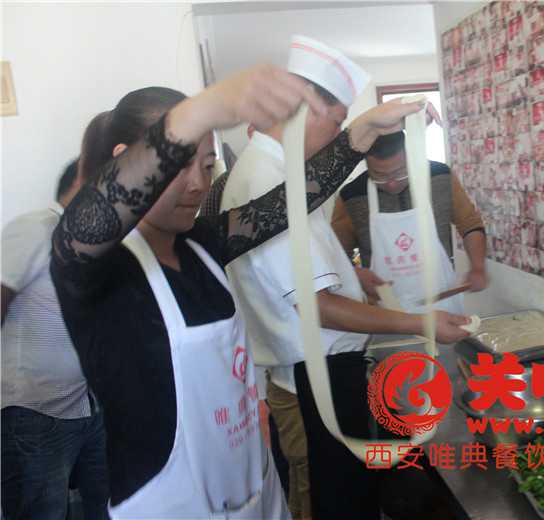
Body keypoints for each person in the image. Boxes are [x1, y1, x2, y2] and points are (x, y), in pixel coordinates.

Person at [50, 64, 430, 518]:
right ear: (128, 163)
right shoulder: (96, 270)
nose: (197, 183)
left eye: (206, 164)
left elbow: (291, 200)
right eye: (180, 164)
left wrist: (360, 134)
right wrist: (207, 107)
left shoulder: (204, 242)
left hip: (255, 491)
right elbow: (85, 225)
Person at [218, 36, 469, 520]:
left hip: (324, 378)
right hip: (312, 386)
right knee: (330, 504)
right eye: (335, 122)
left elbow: (291, 264)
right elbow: (318, 306)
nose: (336, 137)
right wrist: (422, 323)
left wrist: (351, 274)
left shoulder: (281, 170)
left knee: (351, 497)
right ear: (305, 109)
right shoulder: (267, 178)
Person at [2, 120, 111, 520]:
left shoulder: (95, 242)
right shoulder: (37, 228)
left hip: (88, 407)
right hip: (34, 415)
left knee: (113, 508)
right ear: (81, 182)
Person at [331, 131, 488, 313]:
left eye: (399, 173)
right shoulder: (351, 196)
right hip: (386, 312)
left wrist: (477, 267)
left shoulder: (440, 177)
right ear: (365, 162)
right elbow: (334, 253)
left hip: (443, 306)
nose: (391, 184)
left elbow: (470, 224)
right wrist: (355, 274)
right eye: (379, 175)